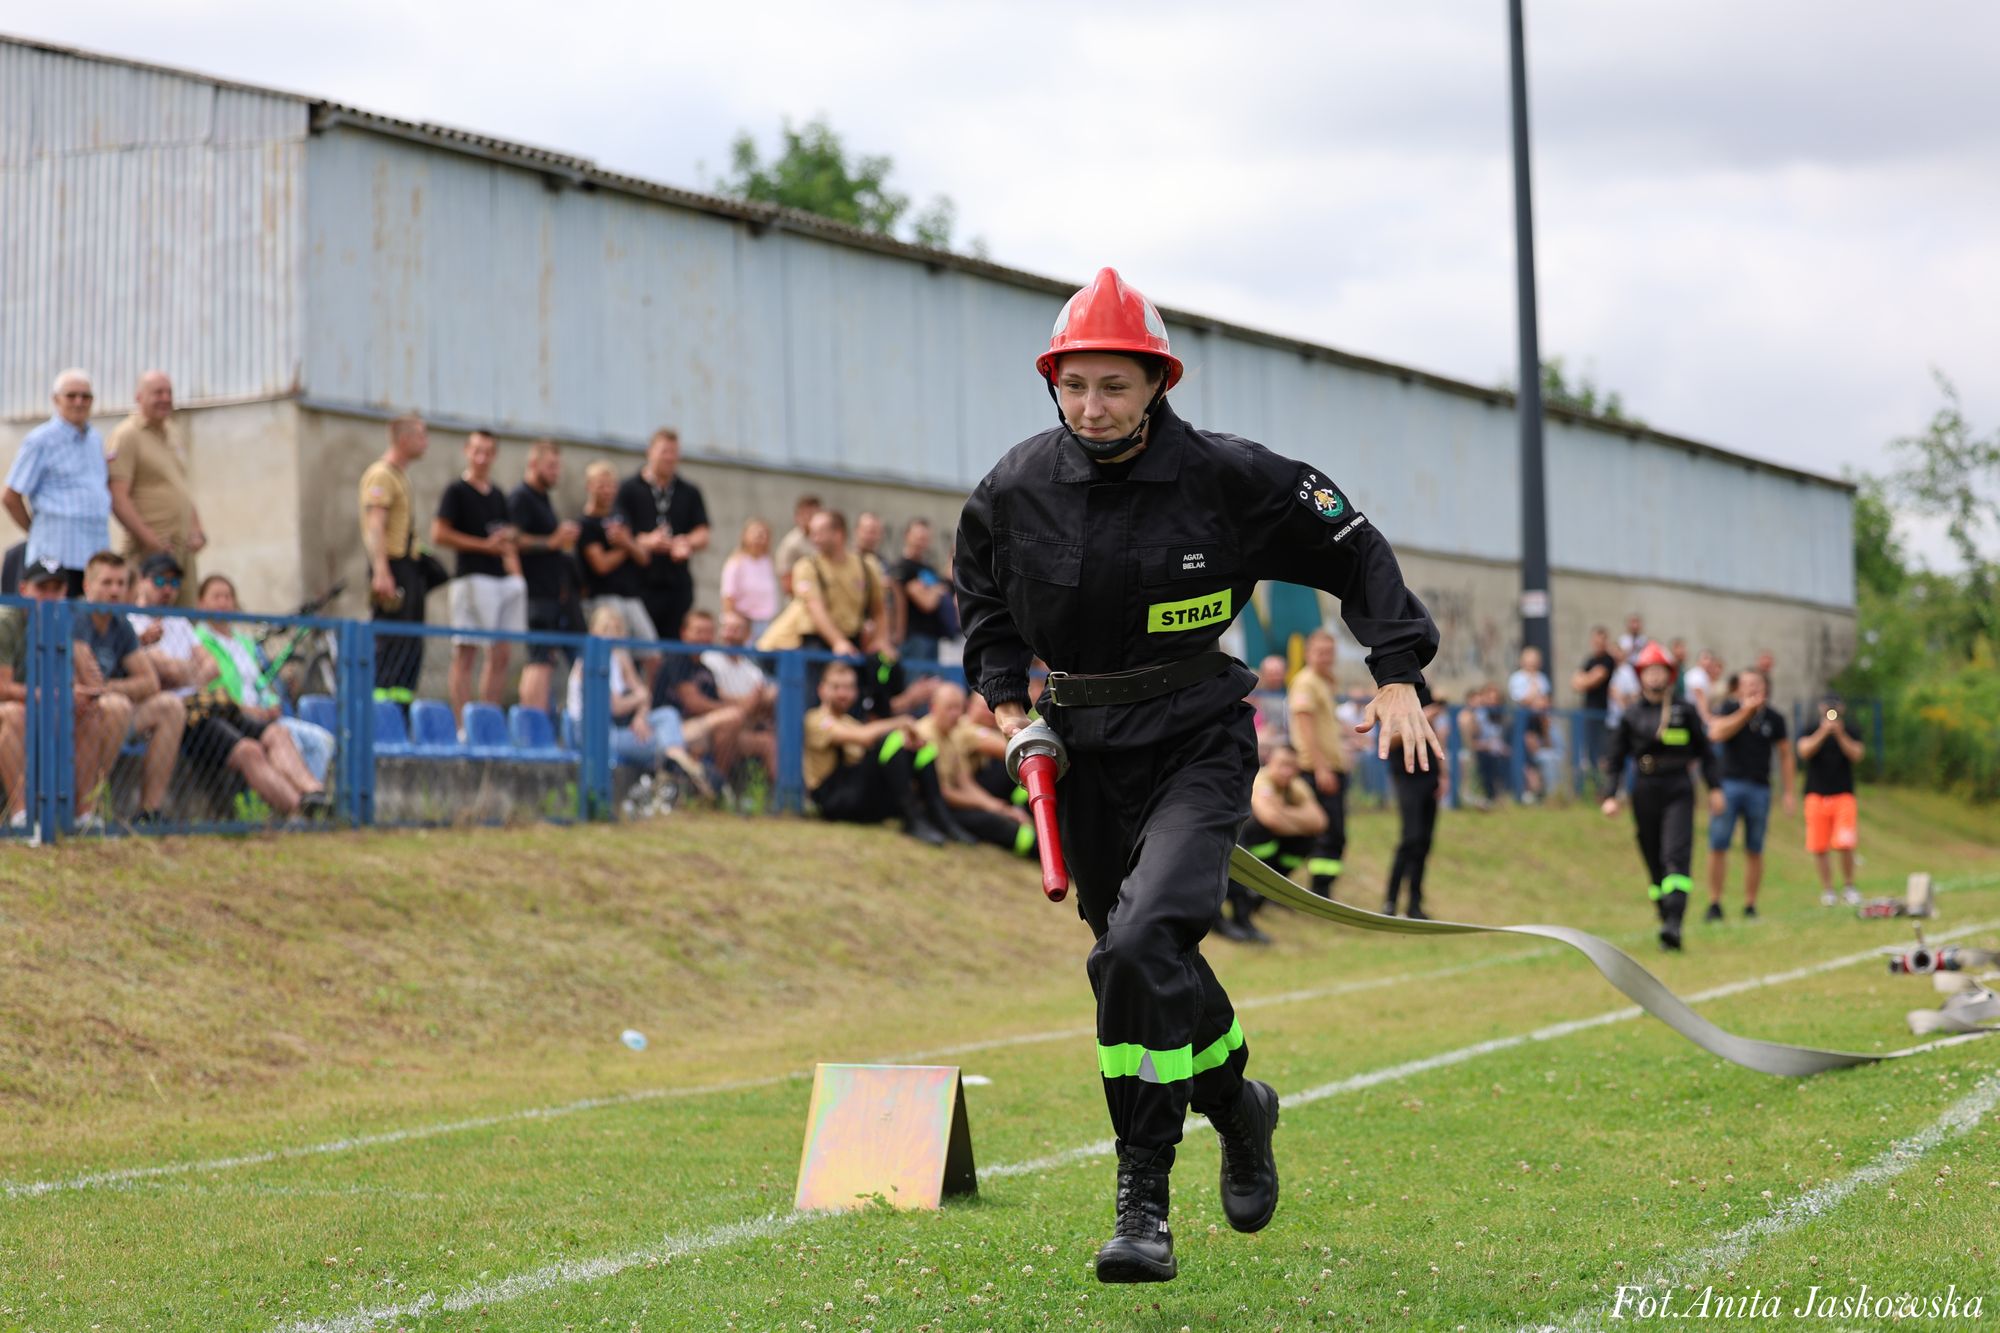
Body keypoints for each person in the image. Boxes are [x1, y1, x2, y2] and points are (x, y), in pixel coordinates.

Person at [954, 267, 1440, 1283]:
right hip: (1076, 749)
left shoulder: (1231, 477)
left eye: (1114, 386)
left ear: (1157, 383)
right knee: (1139, 960)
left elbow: (1351, 542)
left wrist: (1395, 669)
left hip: (1196, 739)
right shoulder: (1010, 488)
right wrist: (1011, 716)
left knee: (1136, 944)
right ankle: (1237, 1104)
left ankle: (1141, 1203)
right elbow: (983, 604)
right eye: (1074, 385)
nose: (1091, 406)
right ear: (1052, 381)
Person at [1600, 641, 1719, 951]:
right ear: (1641, 676)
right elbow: (1614, 759)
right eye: (1648, 671)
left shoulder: (1685, 710)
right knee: (1652, 856)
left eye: (1659, 671)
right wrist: (1610, 795)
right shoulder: (1631, 714)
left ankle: (1675, 922)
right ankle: (1663, 910)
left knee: (1675, 854)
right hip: (1645, 789)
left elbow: (1706, 753)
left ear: (1669, 674)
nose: (1654, 677)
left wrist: (1715, 788)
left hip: (1678, 787)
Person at [189, 574, 337, 796]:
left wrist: (271, 703)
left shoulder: (244, 642)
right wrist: (246, 710)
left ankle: (314, 799)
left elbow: (262, 682)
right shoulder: (197, 639)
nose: (223, 602)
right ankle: (299, 802)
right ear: (201, 603)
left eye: (228, 596)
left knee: (321, 740)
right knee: (292, 742)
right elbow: (208, 690)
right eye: (216, 596)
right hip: (233, 715)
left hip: (263, 715)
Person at [73, 552, 186, 825]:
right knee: (117, 706)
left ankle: (150, 812)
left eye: (121, 584)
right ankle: (85, 808)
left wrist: (110, 686)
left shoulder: (120, 624)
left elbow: (150, 682)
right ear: (88, 586)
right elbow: (87, 684)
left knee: (170, 706)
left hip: (110, 707)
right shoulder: (75, 616)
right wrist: (114, 690)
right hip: (74, 711)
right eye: (107, 583)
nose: (115, 591)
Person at [801, 658, 947, 845]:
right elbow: (864, 737)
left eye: (849, 687)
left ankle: (937, 814)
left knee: (918, 748)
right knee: (890, 739)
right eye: (836, 687)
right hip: (832, 799)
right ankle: (912, 819)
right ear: (822, 689)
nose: (843, 693)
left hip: (858, 795)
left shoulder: (850, 722)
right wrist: (900, 722)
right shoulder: (816, 719)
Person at [434, 430, 526, 725]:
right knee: (467, 653)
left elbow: (505, 539)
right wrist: (483, 546)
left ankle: (488, 722)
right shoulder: (456, 490)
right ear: (467, 451)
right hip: (471, 580)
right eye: (477, 451)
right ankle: (463, 725)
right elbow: (440, 534)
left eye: (488, 451)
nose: (482, 457)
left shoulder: (498, 494)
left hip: (501, 581)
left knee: (500, 653)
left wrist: (513, 567)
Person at [0, 558, 96, 827]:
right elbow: (2, 688)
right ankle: (22, 815)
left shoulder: (66, 622)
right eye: (42, 588)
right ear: (23, 590)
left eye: (57, 589)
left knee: (96, 713)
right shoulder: (7, 622)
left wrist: (79, 692)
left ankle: (82, 814)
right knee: (14, 714)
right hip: (16, 709)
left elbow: (82, 678)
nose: (50, 597)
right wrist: (56, 695)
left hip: (46, 709)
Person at [565, 605, 704, 785]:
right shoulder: (587, 663)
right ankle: (679, 766)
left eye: (617, 629)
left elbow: (646, 695)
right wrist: (638, 698)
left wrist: (640, 716)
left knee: (668, 715)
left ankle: (676, 762)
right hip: (595, 734)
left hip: (619, 726)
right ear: (594, 632)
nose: (612, 635)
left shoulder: (620, 659)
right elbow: (615, 706)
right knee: (667, 740)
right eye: (606, 629)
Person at [3, 369, 111, 596]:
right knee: (52, 624)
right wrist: (35, 531)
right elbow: (11, 495)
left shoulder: (95, 439)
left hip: (92, 558)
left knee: (83, 628)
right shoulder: (41, 440)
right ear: (56, 400)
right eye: (71, 395)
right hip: (56, 557)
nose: (79, 402)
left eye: (86, 396)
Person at [104, 371, 205, 605]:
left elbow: (181, 488)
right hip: (149, 549)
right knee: (143, 619)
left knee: (184, 619)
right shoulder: (127, 435)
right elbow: (118, 497)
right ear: (139, 397)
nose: (165, 398)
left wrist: (197, 529)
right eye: (157, 392)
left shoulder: (173, 433)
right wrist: (150, 540)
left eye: (169, 392)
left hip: (181, 549)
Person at [1703, 667, 1793, 921]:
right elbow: (1716, 733)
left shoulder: (1774, 718)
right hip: (1728, 785)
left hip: (1759, 788)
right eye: (1747, 684)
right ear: (1739, 688)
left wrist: (1788, 792)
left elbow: (1786, 755)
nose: (1753, 688)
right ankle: (1715, 903)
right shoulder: (1728, 709)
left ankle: (1750, 904)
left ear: (1766, 688)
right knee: (1718, 844)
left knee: (1755, 847)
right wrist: (1746, 712)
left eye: (1758, 684)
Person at [359, 413, 433, 705]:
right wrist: (381, 571)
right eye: (421, 435)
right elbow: (375, 524)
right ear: (404, 440)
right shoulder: (382, 474)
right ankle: (379, 718)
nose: (426, 442)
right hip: (392, 567)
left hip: (406, 567)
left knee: (409, 646)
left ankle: (400, 713)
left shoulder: (399, 475)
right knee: (390, 645)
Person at [614, 428, 709, 650]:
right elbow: (619, 532)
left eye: (674, 452)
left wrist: (684, 543)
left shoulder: (689, 491)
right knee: (642, 649)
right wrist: (647, 542)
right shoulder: (628, 489)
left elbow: (703, 533)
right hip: (639, 586)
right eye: (664, 451)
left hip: (677, 585)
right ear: (650, 452)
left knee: (673, 650)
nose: (669, 457)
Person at [509, 439, 584, 715]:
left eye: (558, 466)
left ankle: (541, 723)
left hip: (552, 596)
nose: (556, 472)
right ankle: (533, 729)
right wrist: (551, 541)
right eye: (550, 466)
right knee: (538, 662)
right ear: (533, 463)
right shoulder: (521, 497)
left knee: (546, 661)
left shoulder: (543, 499)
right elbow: (511, 538)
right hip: (536, 596)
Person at [916, 681, 1035, 855]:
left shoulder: (950, 733)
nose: (955, 714)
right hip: (934, 807)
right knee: (1001, 824)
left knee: (1002, 816)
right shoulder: (929, 734)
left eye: (958, 708)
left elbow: (965, 781)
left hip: (956, 801)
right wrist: (994, 808)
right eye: (949, 708)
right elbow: (944, 792)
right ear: (933, 707)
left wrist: (997, 807)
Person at [757, 508, 886, 661]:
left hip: (849, 641)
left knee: (882, 672)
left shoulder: (866, 567)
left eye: (819, 533)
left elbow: (879, 609)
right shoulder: (807, 566)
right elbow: (815, 608)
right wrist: (838, 642)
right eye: (812, 533)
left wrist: (881, 639)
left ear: (838, 534)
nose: (814, 538)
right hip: (797, 645)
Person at [1231, 743, 1327, 942]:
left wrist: (1282, 812)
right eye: (1282, 764)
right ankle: (1244, 908)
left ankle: (1266, 892)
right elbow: (1269, 819)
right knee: (1257, 827)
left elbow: (1320, 822)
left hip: (1275, 849)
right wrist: (1300, 820)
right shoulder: (1261, 780)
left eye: (1292, 766)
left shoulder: (1297, 785)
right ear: (1270, 763)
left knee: (1308, 840)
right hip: (1243, 849)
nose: (1287, 771)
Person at [1285, 629, 1352, 898]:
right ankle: (1319, 892)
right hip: (1316, 770)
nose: (1326, 658)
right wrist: (1322, 767)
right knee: (1328, 834)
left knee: (1328, 834)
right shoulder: (1306, 682)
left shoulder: (1322, 682)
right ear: (1309, 653)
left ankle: (1317, 889)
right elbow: (1305, 726)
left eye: (1330, 653)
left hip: (1330, 768)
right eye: (1321, 652)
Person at [654, 609, 754, 778]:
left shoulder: (705, 670)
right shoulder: (676, 659)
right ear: (684, 633)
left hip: (700, 730)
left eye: (708, 632)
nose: (703, 638)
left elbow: (717, 700)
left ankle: (715, 784)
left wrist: (750, 702)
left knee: (764, 741)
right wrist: (731, 708)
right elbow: (694, 703)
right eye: (698, 631)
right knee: (732, 717)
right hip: (670, 731)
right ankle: (716, 784)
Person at [576, 460, 658, 646]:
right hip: (603, 598)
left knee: (652, 652)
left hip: (631, 596)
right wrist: (626, 546)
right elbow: (601, 565)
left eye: (611, 486)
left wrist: (627, 543)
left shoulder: (621, 516)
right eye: (602, 486)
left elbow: (643, 557)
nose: (607, 491)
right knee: (617, 650)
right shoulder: (585, 524)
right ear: (589, 486)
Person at [1798, 695, 1866, 906]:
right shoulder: (1810, 728)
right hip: (1816, 794)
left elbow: (1857, 755)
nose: (1831, 712)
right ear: (1820, 708)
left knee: (1845, 843)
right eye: (1828, 708)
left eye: (1834, 708)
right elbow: (1804, 751)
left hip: (1843, 794)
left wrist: (1840, 733)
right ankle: (1828, 890)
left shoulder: (1850, 730)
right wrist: (1823, 731)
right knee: (1819, 846)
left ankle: (1848, 886)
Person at [1385, 697, 1449, 919]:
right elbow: (1389, 741)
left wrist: (1443, 773)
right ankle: (1390, 902)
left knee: (1424, 842)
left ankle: (1414, 904)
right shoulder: (1393, 699)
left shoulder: (1425, 693)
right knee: (1410, 839)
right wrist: (1418, 720)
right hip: (1407, 778)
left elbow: (1436, 737)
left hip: (1429, 777)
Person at [890, 518, 950, 664]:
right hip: (913, 638)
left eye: (925, 538)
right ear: (907, 536)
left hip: (934, 637)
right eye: (918, 537)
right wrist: (935, 590)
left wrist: (930, 590)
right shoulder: (902, 567)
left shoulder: (929, 568)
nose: (921, 542)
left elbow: (944, 589)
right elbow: (927, 603)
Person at [719, 517, 780, 642]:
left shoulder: (768, 562)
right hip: (744, 624)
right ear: (744, 536)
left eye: (763, 534)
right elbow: (728, 595)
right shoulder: (736, 562)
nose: (759, 537)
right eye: (755, 533)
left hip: (766, 623)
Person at [1571, 626, 1617, 793]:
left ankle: (1605, 789)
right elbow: (1575, 683)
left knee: (1602, 754)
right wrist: (1585, 679)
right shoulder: (1590, 660)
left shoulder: (1608, 660)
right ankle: (1595, 788)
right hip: (1588, 714)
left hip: (1602, 715)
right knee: (1590, 754)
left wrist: (1584, 679)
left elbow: (1591, 680)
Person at [1507, 645, 1554, 803]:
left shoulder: (1542, 678)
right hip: (1522, 724)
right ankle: (1528, 790)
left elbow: (1545, 703)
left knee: (1539, 756)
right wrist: (1534, 690)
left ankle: (1539, 790)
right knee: (1525, 756)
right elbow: (1523, 700)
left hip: (1538, 723)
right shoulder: (1517, 678)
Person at [772, 494, 821, 598]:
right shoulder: (791, 544)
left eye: (815, 513)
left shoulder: (824, 540)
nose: (811, 518)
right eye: (807, 514)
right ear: (797, 517)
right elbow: (786, 584)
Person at [1247, 655, 1290, 758]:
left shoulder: (1289, 695)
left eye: (1278, 673)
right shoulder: (1253, 698)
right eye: (1271, 673)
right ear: (1263, 674)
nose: (1275, 677)